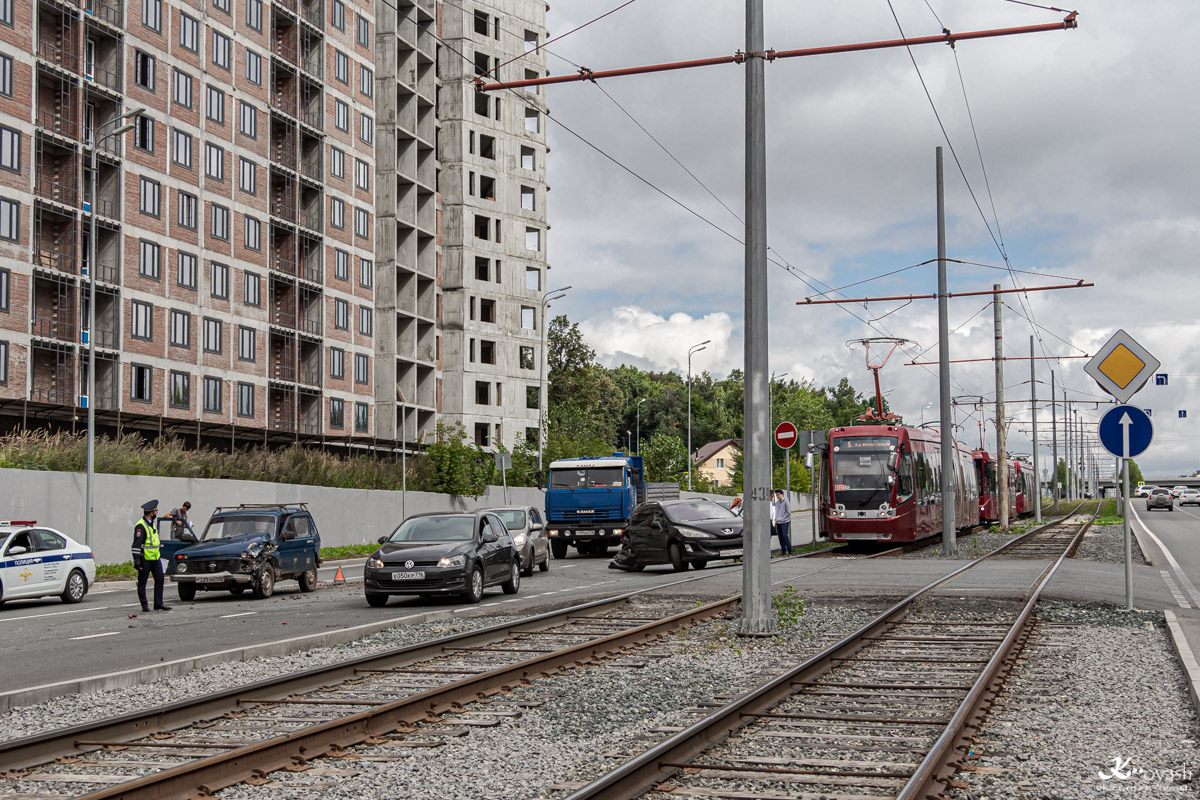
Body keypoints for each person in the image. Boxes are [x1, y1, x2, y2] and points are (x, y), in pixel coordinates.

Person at [132, 499, 171, 612]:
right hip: (145, 559)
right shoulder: (140, 526)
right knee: (142, 582)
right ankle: (145, 605)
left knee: (160, 579)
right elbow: (136, 544)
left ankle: (158, 603)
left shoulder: (151, 524)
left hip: (155, 558)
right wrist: (137, 560)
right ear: (151, 513)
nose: (157, 513)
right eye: (156, 511)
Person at [773, 489, 793, 556]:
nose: (777, 496)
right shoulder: (777, 503)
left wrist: (784, 519)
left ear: (782, 494)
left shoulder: (786, 501)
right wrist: (776, 519)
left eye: (778, 494)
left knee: (784, 535)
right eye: (776, 495)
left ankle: (789, 551)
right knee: (780, 537)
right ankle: (783, 551)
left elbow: (788, 512)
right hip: (778, 522)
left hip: (784, 522)